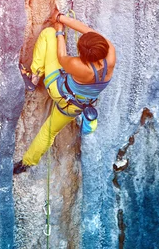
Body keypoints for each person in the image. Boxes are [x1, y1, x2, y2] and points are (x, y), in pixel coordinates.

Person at [14, 9, 116, 174]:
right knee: (49, 131)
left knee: (48, 34)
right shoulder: (110, 54)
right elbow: (88, 31)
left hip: (58, 91)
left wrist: (59, 30)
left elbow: (61, 57)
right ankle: (26, 163)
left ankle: (33, 76)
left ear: (83, 55)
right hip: (75, 107)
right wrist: (62, 18)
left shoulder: (79, 66)